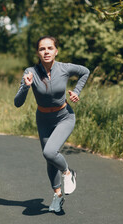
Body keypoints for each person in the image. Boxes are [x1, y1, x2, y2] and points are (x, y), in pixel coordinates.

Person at [14, 36, 90, 213]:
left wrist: (76, 91)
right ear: (38, 52)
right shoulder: (30, 71)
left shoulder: (64, 68)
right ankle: (58, 196)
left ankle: (68, 173)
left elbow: (85, 71)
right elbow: (18, 103)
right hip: (43, 119)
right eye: (42, 49)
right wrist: (26, 86)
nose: (46, 52)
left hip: (64, 116)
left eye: (50, 48)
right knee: (49, 158)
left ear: (56, 51)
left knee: (49, 152)